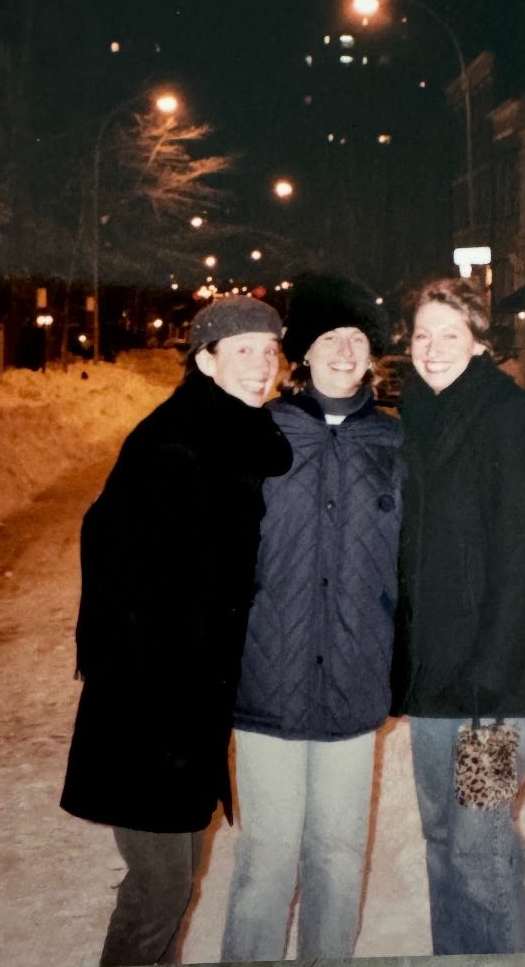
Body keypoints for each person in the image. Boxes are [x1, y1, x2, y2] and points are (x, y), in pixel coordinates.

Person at [59, 295, 292, 967]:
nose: (261, 364)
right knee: (159, 890)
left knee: (173, 882)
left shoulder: (232, 434)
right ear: (206, 360)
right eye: (243, 350)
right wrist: (159, 682)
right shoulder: (174, 444)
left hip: (186, 712)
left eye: (269, 350)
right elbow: (119, 571)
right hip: (148, 713)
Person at [391, 276, 525, 955]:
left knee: (480, 846)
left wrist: (491, 680)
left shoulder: (508, 418)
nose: (433, 348)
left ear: (478, 343)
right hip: (434, 683)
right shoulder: (419, 415)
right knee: (442, 836)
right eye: (422, 335)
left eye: (450, 334)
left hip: (492, 689)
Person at [221, 273, 404, 961]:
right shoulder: (259, 433)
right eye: (330, 337)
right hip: (266, 679)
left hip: (355, 678)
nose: (345, 351)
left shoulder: (394, 444)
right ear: (304, 351)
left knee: (337, 853)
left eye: (357, 338)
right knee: (266, 857)